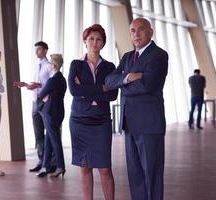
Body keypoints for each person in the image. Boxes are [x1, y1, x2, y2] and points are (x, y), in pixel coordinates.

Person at [105, 18, 168, 200]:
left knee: (152, 175)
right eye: (133, 30)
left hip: (149, 125)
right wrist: (127, 78)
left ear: (151, 32)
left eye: (141, 30)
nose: (136, 34)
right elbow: (109, 81)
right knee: (135, 175)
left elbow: (147, 86)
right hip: (129, 123)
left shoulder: (159, 55)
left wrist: (121, 83)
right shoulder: (126, 57)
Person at [68, 24, 118, 200]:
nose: (94, 42)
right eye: (91, 39)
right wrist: (101, 88)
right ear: (85, 41)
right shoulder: (76, 64)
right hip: (79, 121)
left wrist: (86, 89)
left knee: (105, 168)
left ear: (103, 43)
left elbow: (112, 94)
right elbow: (74, 91)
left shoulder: (110, 67)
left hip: (101, 121)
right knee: (85, 166)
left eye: (98, 39)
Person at [15, 41, 55, 172]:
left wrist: (38, 86)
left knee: (49, 132)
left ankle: (52, 162)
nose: (36, 51)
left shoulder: (49, 66)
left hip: (45, 102)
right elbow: (35, 84)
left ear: (45, 50)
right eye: (36, 49)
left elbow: (52, 84)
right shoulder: (34, 66)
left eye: (39, 49)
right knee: (38, 134)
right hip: (34, 103)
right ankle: (41, 161)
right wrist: (25, 84)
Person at [36, 54, 67, 178]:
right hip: (59, 111)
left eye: (50, 63)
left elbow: (41, 94)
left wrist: (45, 99)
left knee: (54, 140)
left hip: (50, 112)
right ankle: (45, 166)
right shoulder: (62, 79)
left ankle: (60, 166)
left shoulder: (52, 80)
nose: (48, 65)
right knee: (49, 139)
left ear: (53, 66)